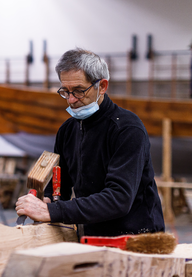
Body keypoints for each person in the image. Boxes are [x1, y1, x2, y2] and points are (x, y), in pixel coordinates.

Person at [15, 48, 165, 237]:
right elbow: (59, 188)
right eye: (65, 91)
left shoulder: (127, 129)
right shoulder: (68, 130)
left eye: (78, 91)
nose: (71, 100)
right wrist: (46, 202)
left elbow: (119, 199)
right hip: (91, 234)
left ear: (102, 86)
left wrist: (52, 212)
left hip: (137, 237)